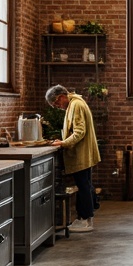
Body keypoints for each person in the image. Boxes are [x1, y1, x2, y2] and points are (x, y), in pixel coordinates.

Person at [46, 84, 101, 232]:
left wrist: (63, 143)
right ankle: (85, 218)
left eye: (57, 103)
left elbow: (79, 132)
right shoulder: (75, 103)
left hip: (80, 154)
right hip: (83, 153)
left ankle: (85, 219)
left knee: (83, 186)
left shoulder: (75, 105)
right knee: (86, 185)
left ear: (62, 96)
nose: (57, 107)